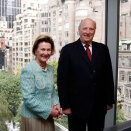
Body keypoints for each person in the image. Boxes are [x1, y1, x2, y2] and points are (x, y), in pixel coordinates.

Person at [57, 18, 115, 131]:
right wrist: (66, 105)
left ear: (94, 31)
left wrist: (109, 101)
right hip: (75, 107)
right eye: (84, 28)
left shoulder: (103, 49)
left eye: (91, 29)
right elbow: (62, 80)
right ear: (79, 30)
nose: (87, 32)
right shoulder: (68, 50)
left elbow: (108, 76)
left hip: (98, 106)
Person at [20, 35, 62, 131]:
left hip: (48, 117)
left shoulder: (50, 69)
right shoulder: (28, 70)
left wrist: (56, 104)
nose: (46, 53)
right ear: (35, 50)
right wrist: (49, 111)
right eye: (42, 49)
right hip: (32, 119)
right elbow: (28, 98)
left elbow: (52, 91)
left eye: (48, 50)